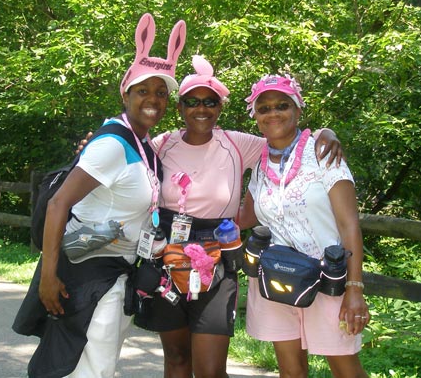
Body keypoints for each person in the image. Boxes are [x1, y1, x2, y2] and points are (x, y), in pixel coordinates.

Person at [132, 56, 344, 378]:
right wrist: (90, 144)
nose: (201, 108)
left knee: (210, 369)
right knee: (176, 357)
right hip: (167, 254)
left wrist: (326, 133)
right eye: (192, 101)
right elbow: (123, 156)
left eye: (210, 101)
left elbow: (287, 138)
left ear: (219, 107)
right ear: (180, 108)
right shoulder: (163, 145)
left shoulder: (237, 143)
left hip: (217, 258)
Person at [12, 13, 186, 378]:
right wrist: (48, 275)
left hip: (117, 272)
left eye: (161, 92)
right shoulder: (112, 144)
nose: (153, 99)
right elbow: (60, 203)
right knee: (90, 367)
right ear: (125, 93)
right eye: (143, 90)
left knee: (92, 363)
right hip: (87, 274)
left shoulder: (144, 147)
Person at [240, 74, 369, 378]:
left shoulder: (323, 153)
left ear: (298, 110)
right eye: (264, 108)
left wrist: (354, 288)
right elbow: (245, 217)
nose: (273, 113)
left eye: (282, 105)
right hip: (274, 279)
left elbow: (349, 225)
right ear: (256, 117)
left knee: (345, 368)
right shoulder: (260, 163)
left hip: (329, 279)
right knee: (290, 370)